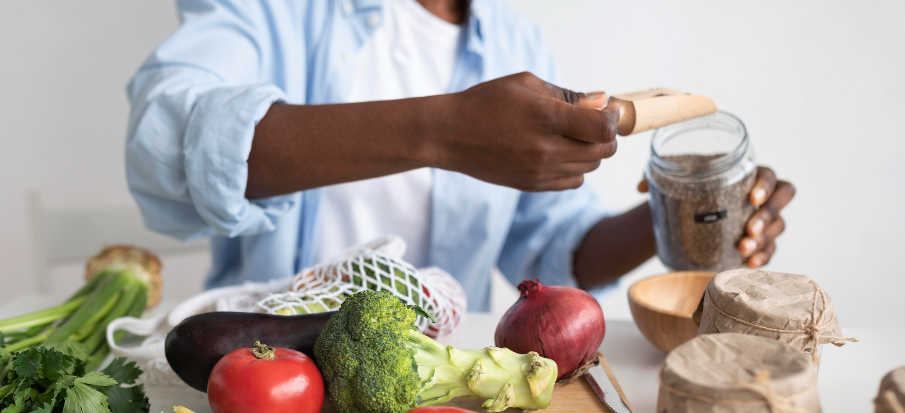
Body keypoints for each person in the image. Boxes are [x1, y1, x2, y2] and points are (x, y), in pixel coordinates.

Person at [126, 0, 794, 311]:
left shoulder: (515, 42)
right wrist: (441, 132)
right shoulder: (274, 10)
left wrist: (682, 215)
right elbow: (162, 140)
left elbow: (551, 246)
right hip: (262, 373)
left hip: (440, 389)